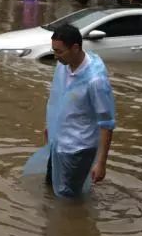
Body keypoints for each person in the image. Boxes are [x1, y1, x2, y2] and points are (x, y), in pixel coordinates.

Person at [44, 24, 116, 198]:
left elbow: (106, 123)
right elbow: (59, 97)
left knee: (68, 198)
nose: (55, 56)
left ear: (75, 48)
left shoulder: (95, 80)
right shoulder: (65, 63)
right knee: (49, 187)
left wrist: (101, 163)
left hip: (78, 149)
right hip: (58, 141)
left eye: (59, 51)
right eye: (54, 50)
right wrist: (50, 126)